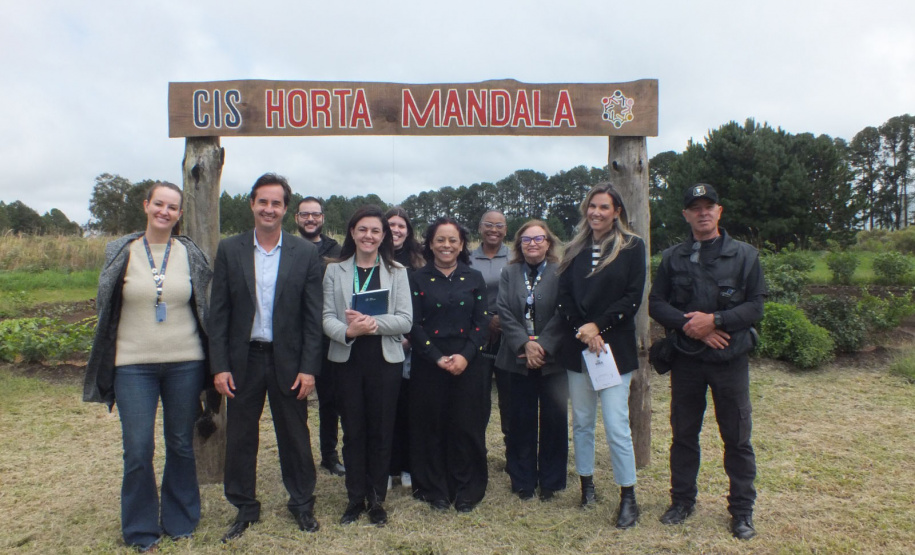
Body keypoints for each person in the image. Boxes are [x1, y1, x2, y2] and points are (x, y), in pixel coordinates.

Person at [84, 181, 211, 552]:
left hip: (184, 362)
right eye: (159, 204)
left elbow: (204, 306)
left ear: (180, 214)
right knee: (138, 448)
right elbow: (104, 307)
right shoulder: (121, 251)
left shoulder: (190, 253)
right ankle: (140, 529)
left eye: (173, 207)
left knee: (180, 444)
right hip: (132, 365)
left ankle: (180, 519)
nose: (165, 212)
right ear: (146, 205)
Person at [209, 173, 324, 541]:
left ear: (286, 209)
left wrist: (309, 369)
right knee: (241, 436)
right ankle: (244, 507)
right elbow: (220, 314)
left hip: (288, 361)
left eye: (276, 203)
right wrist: (220, 366)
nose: (269, 209)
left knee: (294, 434)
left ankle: (302, 504)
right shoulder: (230, 249)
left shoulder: (304, 253)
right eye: (263, 202)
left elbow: (312, 318)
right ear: (252, 204)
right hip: (244, 360)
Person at [648, 183, 765, 541]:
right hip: (687, 360)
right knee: (683, 435)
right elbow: (656, 304)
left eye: (708, 206)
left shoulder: (745, 255)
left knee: (737, 438)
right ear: (685, 215)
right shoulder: (673, 257)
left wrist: (715, 321)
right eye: (694, 207)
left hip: (729, 359)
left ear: (719, 211)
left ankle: (741, 511)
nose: (702, 212)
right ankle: (682, 501)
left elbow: (755, 307)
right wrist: (692, 326)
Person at [556, 183, 646, 529]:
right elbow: (564, 296)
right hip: (579, 346)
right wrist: (583, 328)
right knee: (581, 421)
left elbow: (631, 298)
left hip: (614, 349)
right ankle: (587, 485)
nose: (596, 212)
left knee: (616, 424)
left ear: (617, 211)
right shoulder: (574, 248)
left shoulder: (632, 247)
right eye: (592, 206)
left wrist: (598, 327)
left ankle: (628, 496)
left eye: (604, 207)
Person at [322, 205, 413, 526]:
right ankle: (354, 497)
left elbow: (405, 319)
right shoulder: (335, 270)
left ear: (384, 235)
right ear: (352, 232)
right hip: (347, 360)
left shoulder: (398, 272)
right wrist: (348, 331)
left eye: (375, 231)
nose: (369, 236)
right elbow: (326, 318)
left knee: (381, 430)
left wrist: (371, 325)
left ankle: (376, 499)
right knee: (354, 432)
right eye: (363, 229)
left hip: (384, 362)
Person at [409, 217, 490, 512]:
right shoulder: (415, 279)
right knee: (431, 426)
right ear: (430, 244)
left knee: (466, 426)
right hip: (429, 362)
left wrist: (466, 355)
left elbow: (482, 322)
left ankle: (467, 489)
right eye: (440, 240)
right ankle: (435, 489)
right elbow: (413, 324)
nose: (446, 245)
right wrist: (436, 357)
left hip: (467, 362)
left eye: (453, 240)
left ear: (461, 245)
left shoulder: (474, 278)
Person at [495, 220, 569, 502]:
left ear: (548, 243)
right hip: (515, 359)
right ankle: (522, 479)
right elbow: (503, 309)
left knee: (553, 420)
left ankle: (551, 481)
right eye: (526, 240)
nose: (533, 244)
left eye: (538, 239)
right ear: (519, 245)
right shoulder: (509, 272)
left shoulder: (561, 271)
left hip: (553, 361)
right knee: (520, 420)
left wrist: (543, 346)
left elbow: (563, 312)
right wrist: (525, 344)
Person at [295, 196, 345, 477]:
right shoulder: (289, 248)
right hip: (296, 334)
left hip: (328, 335)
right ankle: (300, 459)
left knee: (330, 400)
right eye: (305, 215)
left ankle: (330, 455)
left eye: (315, 214)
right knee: (295, 403)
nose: (310, 219)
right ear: (297, 219)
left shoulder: (335, 250)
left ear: (323, 218)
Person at [384, 206, 425, 490]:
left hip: (413, 344)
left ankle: (410, 465)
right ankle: (387, 467)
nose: (396, 230)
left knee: (411, 408)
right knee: (386, 407)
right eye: (391, 225)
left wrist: (412, 337)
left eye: (401, 226)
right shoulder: (373, 257)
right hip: (383, 342)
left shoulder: (419, 262)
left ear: (408, 231)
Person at [469, 210, 512, 455]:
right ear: (480, 227)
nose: (493, 229)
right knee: (478, 398)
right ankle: (476, 451)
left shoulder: (516, 258)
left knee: (509, 397)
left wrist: (501, 319)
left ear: (506, 230)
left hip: (509, 334)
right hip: (478, 334)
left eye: (499, 225)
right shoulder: (467, 258)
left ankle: (512, 449)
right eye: (488, 224)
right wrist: (487, 320)